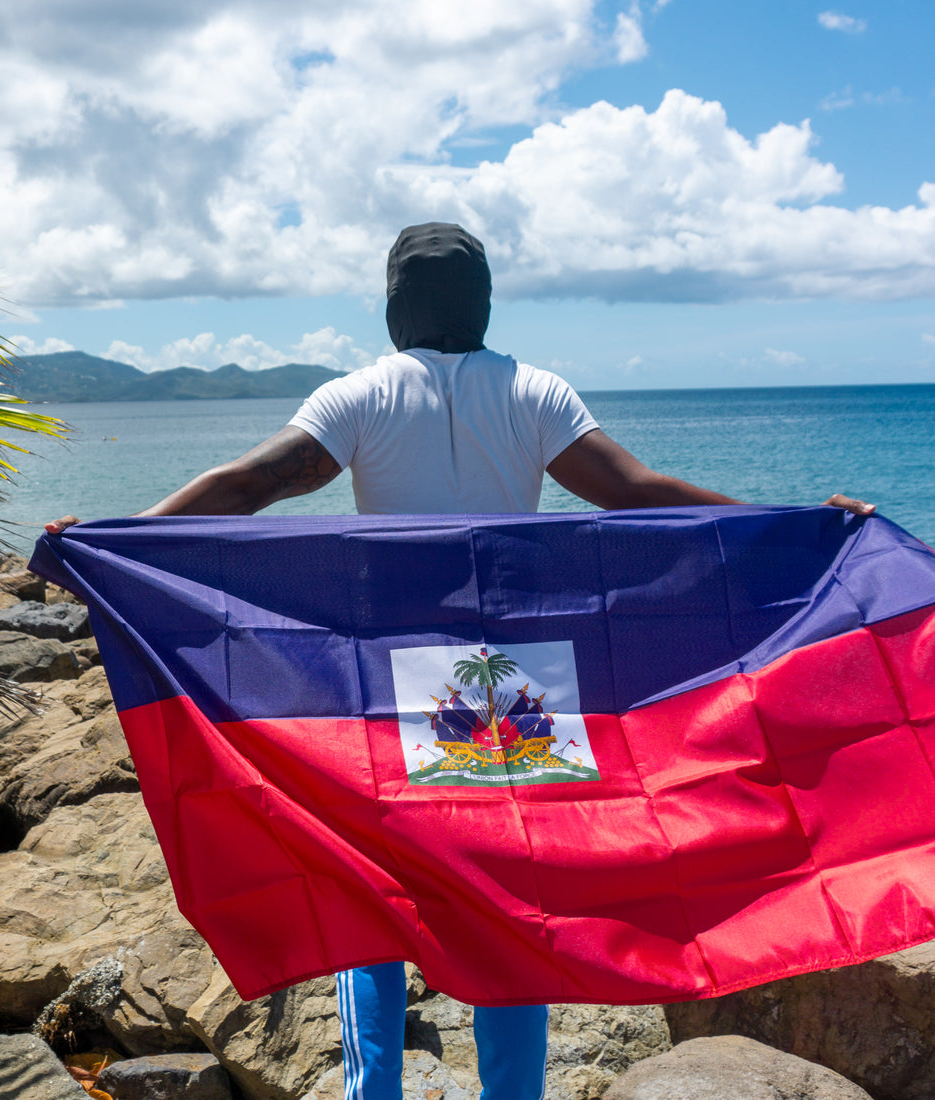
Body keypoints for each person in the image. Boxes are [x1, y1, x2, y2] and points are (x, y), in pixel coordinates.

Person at [47, 222, 873, 1100]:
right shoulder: (535, 393)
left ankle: (376, 1094)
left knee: (372, 879)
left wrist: (114, 540)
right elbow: (637, 496)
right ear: (482, 302)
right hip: (519, 684)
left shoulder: (359, 396)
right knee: (515, 888)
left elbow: (250, 486)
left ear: (395, 305)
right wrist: (798, 525)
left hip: (390, 682)